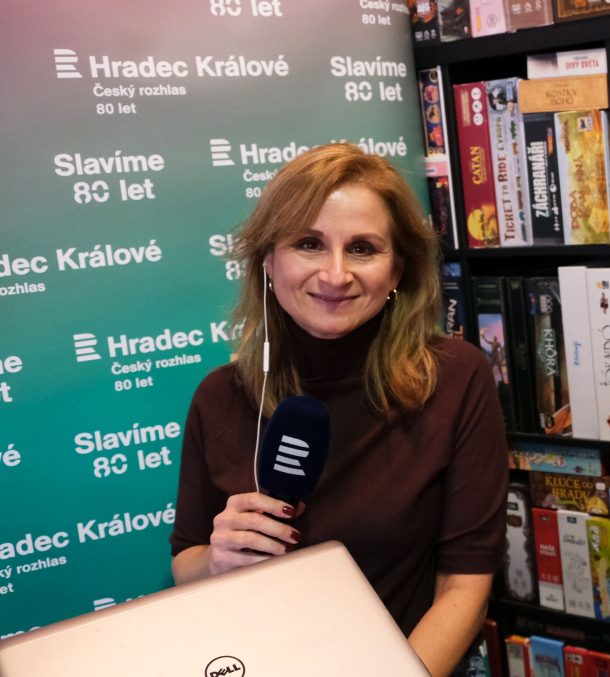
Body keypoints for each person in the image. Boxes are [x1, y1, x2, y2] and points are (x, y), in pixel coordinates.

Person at [170, 143, 508, 676]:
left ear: (396, 271)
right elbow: (186, 561)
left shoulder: (455, 377)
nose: (335, 274)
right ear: (268, 261)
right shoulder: (219, 396)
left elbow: (464, 585)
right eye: (309, 244)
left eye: (362, 249)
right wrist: (217, 560)